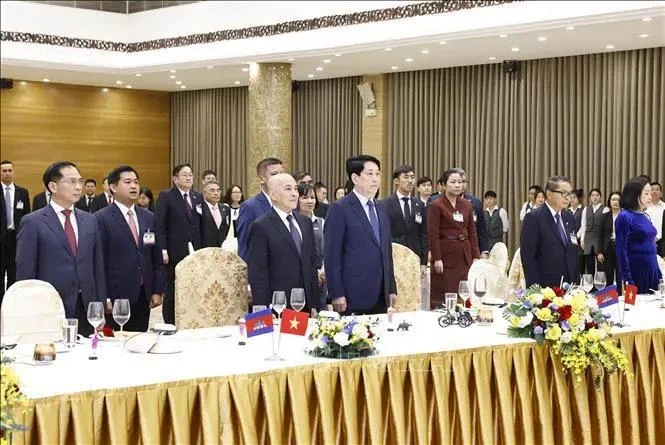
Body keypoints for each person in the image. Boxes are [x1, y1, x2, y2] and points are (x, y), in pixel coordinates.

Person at [16, 161, 106, 336]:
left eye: (80, 181)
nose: (78, 187)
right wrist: (28, 311)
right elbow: (25, 273)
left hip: (85, 306)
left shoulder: (90, 221)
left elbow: (97, 267)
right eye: (71, 182)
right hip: (49, 307)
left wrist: (99, 307)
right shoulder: (33, 222)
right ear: (52, 186)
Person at [95, 166, 166, 332]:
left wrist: (157, 290)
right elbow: (99, 261)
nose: (134, 186)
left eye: (136, 182)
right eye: (127, 182)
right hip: (116, 295)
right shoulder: (101, 218)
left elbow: (156, 257)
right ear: (113, 187)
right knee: (115, 344)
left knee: (139, 341)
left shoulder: (148, 217)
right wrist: (103, 296)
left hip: (143, 293)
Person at [324, 155, 397, 315]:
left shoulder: (381, 208)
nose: (375, 179)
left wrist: (391, 287)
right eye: (369, 174)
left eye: (378, 174)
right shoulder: (339, 208)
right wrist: (336, 293)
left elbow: (386, 252)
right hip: (352, 294)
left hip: (381, 293)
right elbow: (332, 255)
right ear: (355, 178)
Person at [247, 174, 319, 311]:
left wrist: (315, 304)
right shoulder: (261, 226)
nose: (294, 194)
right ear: (273, 195)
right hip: (279, 306)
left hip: (306, 304)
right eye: (288, 189)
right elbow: (258, 274)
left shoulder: (305, 222)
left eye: (295, 189)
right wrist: (263, 309)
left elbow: (311, 265)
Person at [155, 163, 203, 324]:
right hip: (174, 250)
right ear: (175, 179)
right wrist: (162, 250)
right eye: (184, 175)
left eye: (190, 174)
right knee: (173, 288)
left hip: (194, 250)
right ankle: (169, 322)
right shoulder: (166, 196)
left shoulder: (197, 197)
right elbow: (159, 225)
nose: (189, 177)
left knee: (192, 287)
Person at [428, 169, 480, 307]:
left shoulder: (467, 204)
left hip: (464, 253)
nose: (457, 185)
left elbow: (472, 232)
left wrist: (476, 255)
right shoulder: (436, 205)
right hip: (446, 254)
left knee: (463, 292)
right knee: (445, 291)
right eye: (453, 182)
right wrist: (437, 258)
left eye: (460, 182)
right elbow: (433, 235)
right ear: (444, 185)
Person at [520, 176, 579, 288]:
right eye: (563, 193)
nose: (568, 198)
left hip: (569, 287)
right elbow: (528, 257)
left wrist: (576, 281)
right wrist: (534, 289)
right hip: (546, 288)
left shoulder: (569, 217)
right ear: (549, 194)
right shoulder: (533, 218)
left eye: (569, 193)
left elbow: (573, 250)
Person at [615, 177, 662, 294]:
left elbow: (652, 247)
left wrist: (658, 273)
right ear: (635, 195)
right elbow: (621, 251)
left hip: (651, 270)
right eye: (646, 193)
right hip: (636, 271)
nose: (650, 197)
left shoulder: (645, 216)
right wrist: (628, 280)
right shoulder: (624, 216)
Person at [237, 158, 284, 261]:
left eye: (282, 173)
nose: (280, 178)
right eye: (275, 174)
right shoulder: (250, 207)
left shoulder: (288, 205)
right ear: (262, 179)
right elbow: (244, 247)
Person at [382, 165, 428, 269]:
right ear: (396, 181)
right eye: (406, 177)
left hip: (415, 256)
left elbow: (424, 234)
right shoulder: (385, 204)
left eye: (412, 177)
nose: (410, 181)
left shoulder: (419, 204)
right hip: (394, 255)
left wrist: (424, 261)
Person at [1, 160, 31, 301]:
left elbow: (27, 215)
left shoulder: (22, 192)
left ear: (13, 171)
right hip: (1, 237)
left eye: (9, 170)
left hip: (16, 237)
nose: (7, 173)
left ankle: (11, 302)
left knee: (14, 272)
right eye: (4, 171)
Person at [297, 183, 326, 309]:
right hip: (301, 277)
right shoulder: (293, 224)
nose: (310, 201)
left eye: (312, 197)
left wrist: (323, 271)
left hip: (322, 276)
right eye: (304, 198)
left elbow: (328, 251)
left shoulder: (322, 223)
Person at [453, 168, 489, 256]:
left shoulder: (475, 203)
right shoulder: (441, 202)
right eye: (458, 182)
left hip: (471, 250)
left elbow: (482, 230)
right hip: (450, 250)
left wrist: (484, 251)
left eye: (464, 182)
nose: (462, 185)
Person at [578, 189, 609, 274]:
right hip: (588, 239)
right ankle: (590, 286)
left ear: (600, 197)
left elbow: (606, 229)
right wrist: (582, 240)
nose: (595, 197)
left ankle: (600, 285)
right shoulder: (586, 209)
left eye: (597, 195)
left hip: (599, 239)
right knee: (589, 265)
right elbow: (583, 225)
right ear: (590, 197)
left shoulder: (605, 209)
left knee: (600, 265)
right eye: (593, 195)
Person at [597, 192, 621, 287]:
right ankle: (609, 299)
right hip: (608, 248)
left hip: (621, 247)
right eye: (613, 199)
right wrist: (599, 252)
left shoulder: (626, 215)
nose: (615, 202)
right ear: (609, 202)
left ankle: (620, 296)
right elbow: (600, 235)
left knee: (621, 274)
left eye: (618, 200)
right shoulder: (604, 216)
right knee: (608, 275)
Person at [200, 181, 231, 248]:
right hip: (204, 249)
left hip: (221, 248)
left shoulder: (226, 209)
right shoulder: (199, 208)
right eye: (212, 190)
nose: (216, 193)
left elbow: (226, 229)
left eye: (218, 190)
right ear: (204, 193)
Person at [646, 181, 665, 256]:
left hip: (662, 242)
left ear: (661, 192)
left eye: (657, 189)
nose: (654, 191)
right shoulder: (644, 207)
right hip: (646, 242)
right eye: (652, 189)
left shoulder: (664, 207)